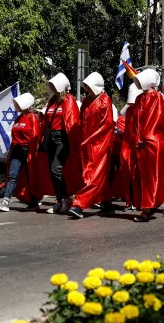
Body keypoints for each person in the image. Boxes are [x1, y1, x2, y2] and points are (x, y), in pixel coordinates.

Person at [67, 72, 115, 219]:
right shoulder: (87, 101)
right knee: (97, 174)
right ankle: (106, 203)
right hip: (87, 144)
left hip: (100, 144)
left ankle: (79, 205)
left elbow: (106, 125)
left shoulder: (105, 100)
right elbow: (81, 122)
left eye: (88, 86)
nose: (86, 88)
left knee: (93, 175)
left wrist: (92, 139)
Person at [0, 93, 49, 212]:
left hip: (28, 150)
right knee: (12, 176)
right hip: (17, 150)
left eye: (18, 103)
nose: (15, 105)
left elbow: (35, 136)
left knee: (30, 177)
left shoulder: (32, 117)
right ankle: (6, 201)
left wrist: (31, 153)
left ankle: (34, 202)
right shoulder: (18, 118)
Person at [131, 69, 164, 222]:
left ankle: (148, 208)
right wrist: (137, 138)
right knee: (145, 176)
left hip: (153, 141)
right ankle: (150, 204)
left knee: (153, 176)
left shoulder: (155, 96)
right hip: (144, 142)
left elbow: (153, 119)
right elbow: (137, 122)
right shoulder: (139, 98)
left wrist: (145, 137)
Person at [42, 73, 81, 214]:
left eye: (54, 84)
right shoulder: (52, 100)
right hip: (51, 136)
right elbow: (46, 119)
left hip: (62, 137)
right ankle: (59, 199)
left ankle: (66, 198)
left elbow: (72, 121)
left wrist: (73, 140)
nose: (52, 87)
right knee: (53, 171)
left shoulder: (69, 100)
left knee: (56, 169)